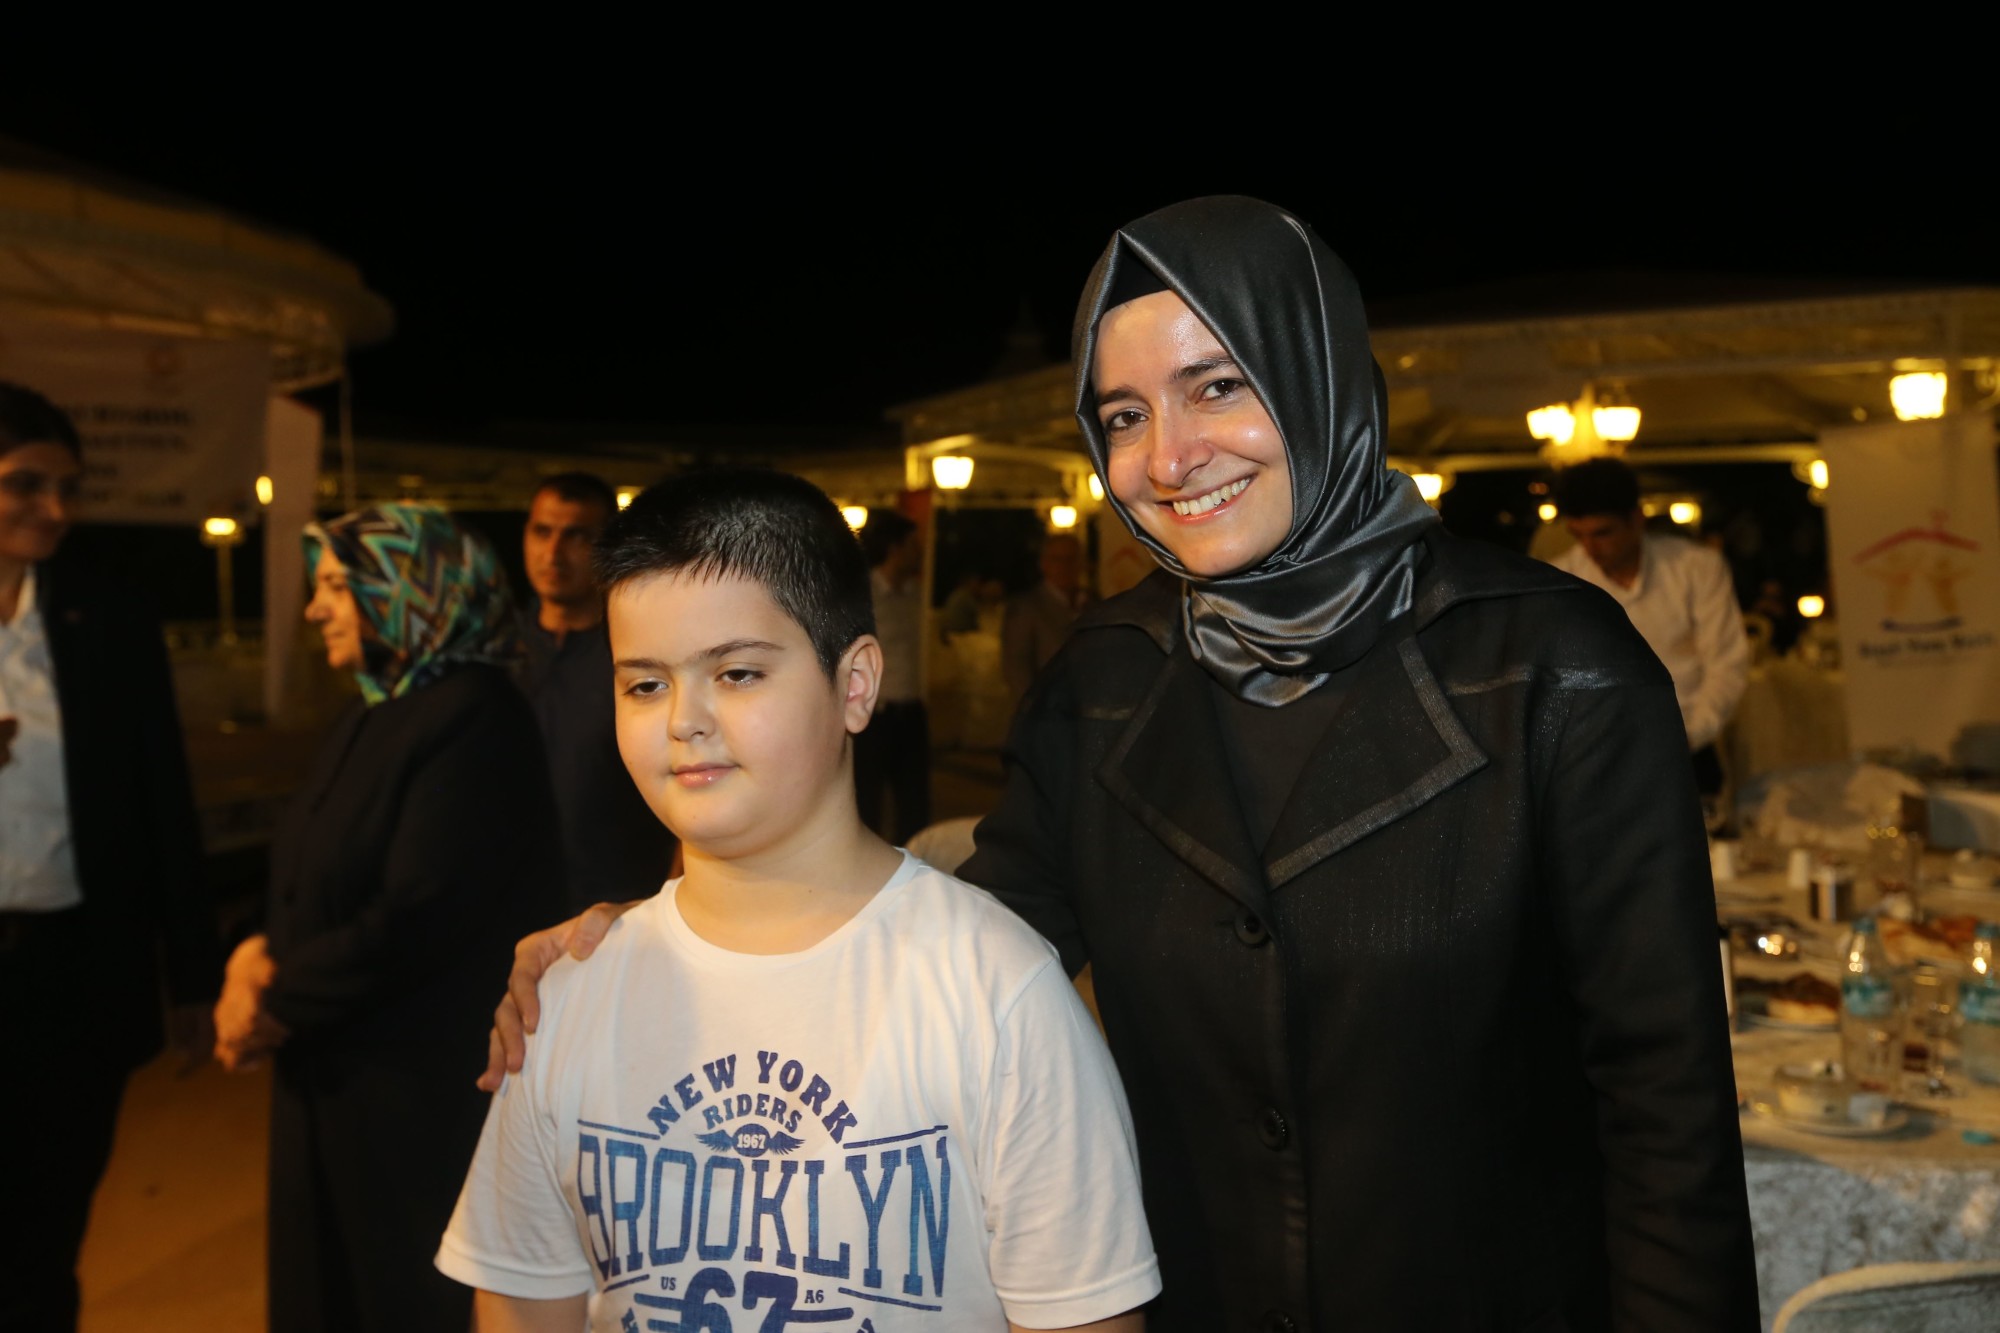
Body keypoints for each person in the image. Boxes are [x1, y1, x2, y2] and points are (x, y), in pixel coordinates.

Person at [487, 198, 1758, 1329]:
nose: (1167, 457)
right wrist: (670, 942)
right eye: (1123, 416)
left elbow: (1665, 1113)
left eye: (1216, 385)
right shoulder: (1100, 685)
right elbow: (950, 948)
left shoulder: (1555, 669)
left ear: (1316, 370)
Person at [438, 469, 1158, 1332]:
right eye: (644, 684)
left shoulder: (998, 993)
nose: (684, 719)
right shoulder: (569, 994)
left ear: (855, 685)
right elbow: (522, 1299)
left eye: (738, 672)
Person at [213, 502, 564, 1332]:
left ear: (411, 587)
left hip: (410, 1093)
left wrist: (274, 999)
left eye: (337, 585)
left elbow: (423, 910)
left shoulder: (475, 715)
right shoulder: (378, 706)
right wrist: (249, 951)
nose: (315, 609)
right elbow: (311, 870)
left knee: (394, 1294)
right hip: (338, 1068)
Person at [0, 382, 218, 1333]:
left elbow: (162, 798)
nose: (55, 508)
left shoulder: (108, 617)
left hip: (69, 975)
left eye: (69, 487)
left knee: (46, 1232)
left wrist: (192, 974)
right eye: (26, 483)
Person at [521, 472, 679, 910]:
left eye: (576, 536)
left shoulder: (643, 654)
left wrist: (670, 899)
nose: (553, 553)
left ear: (606, 545)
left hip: (621, 901)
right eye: (542, 532)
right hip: (508, 902)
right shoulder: (497, 650)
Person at [1550, 457, 1751, 793]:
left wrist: (1688, 735)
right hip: (1597, 756)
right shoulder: (1562, 580)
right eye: (1578, 535)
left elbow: (1726, 664)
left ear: (1636, 519)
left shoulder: (1696, 567)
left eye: (1602, 533)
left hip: (1688, 747)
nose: (1590, 548)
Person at [854, 507, 930, 842]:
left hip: (911, 712)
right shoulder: (862, 594)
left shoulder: (918, 596)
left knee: (915, 806)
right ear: (895, 548)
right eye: (913, 545)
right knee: (866, 803)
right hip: (874, 715)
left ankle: (912, 866)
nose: (920, 552)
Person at [1001, 532, 1087, 703]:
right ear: (1044, 564)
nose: (1064, 566)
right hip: (1050, 709)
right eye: (1057, 559)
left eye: (1071, 559)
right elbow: (1017, 668)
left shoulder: (1092, 603)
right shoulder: (1026, 608)